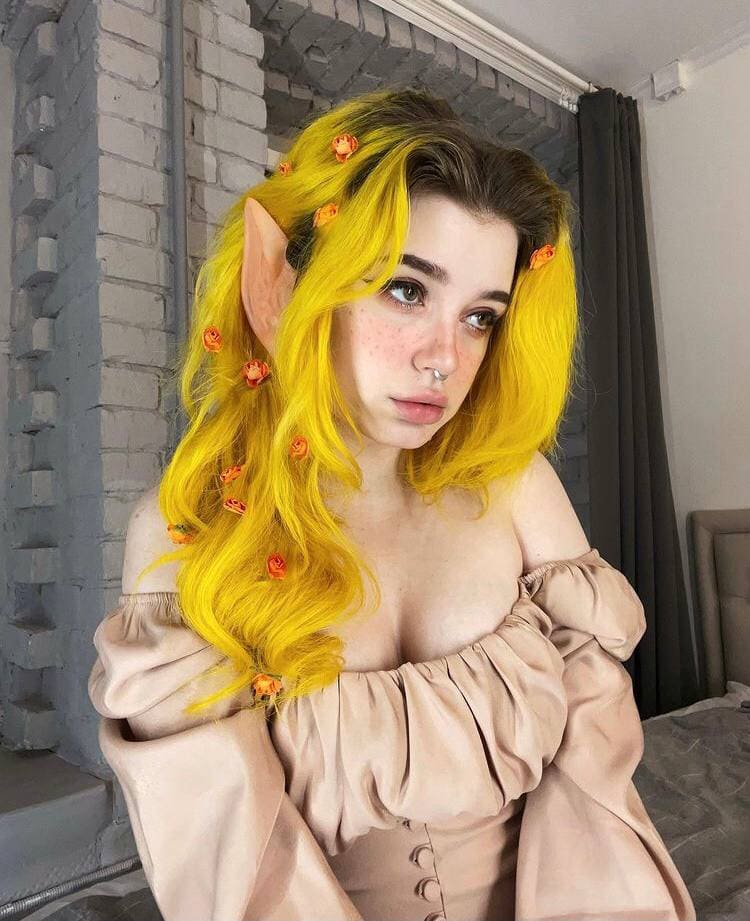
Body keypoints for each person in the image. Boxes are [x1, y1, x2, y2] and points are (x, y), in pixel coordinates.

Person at [88, 88, 696, 920]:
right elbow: (234, 868)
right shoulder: (187, 531)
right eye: (407, 290)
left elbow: (594, 784)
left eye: (480, 316)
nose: (445, 358)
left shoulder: (515, 487)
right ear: (287, 284)